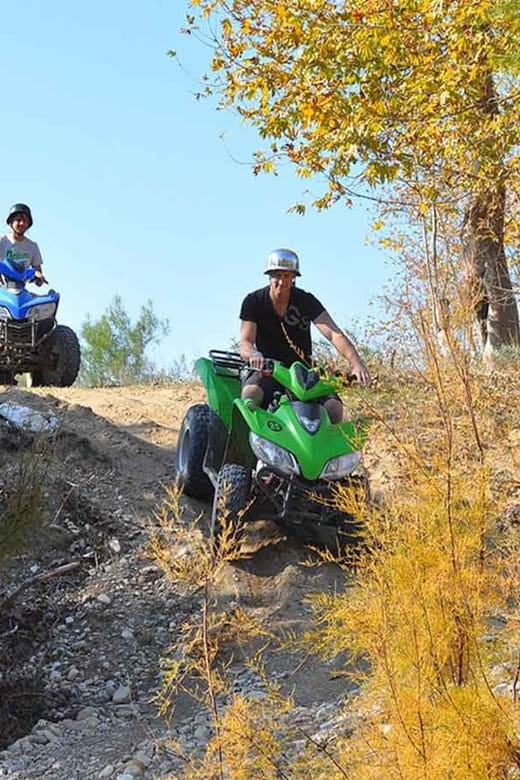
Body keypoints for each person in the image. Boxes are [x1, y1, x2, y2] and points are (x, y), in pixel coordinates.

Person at [239, 248, 371, 423]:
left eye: (287, 276)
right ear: (269, 276)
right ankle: (248, 443)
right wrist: (255, 355)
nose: (281, 281)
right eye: (277, 275)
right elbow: (246, 341)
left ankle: (327, 448)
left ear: (294, 277)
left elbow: (333, 334)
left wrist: (357, 363)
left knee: (334, 407)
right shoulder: (254, 301)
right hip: (268, 369)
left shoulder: (306, 301)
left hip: (303, 371)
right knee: (251, 394)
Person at [0, 203, 47, 286]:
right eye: (18, 220)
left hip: (20, 289)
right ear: (11, 222)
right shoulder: (2, 241)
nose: (21, 223)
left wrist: (39, 278)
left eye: (25, 221)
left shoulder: (33, 246)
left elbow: (38, 273)